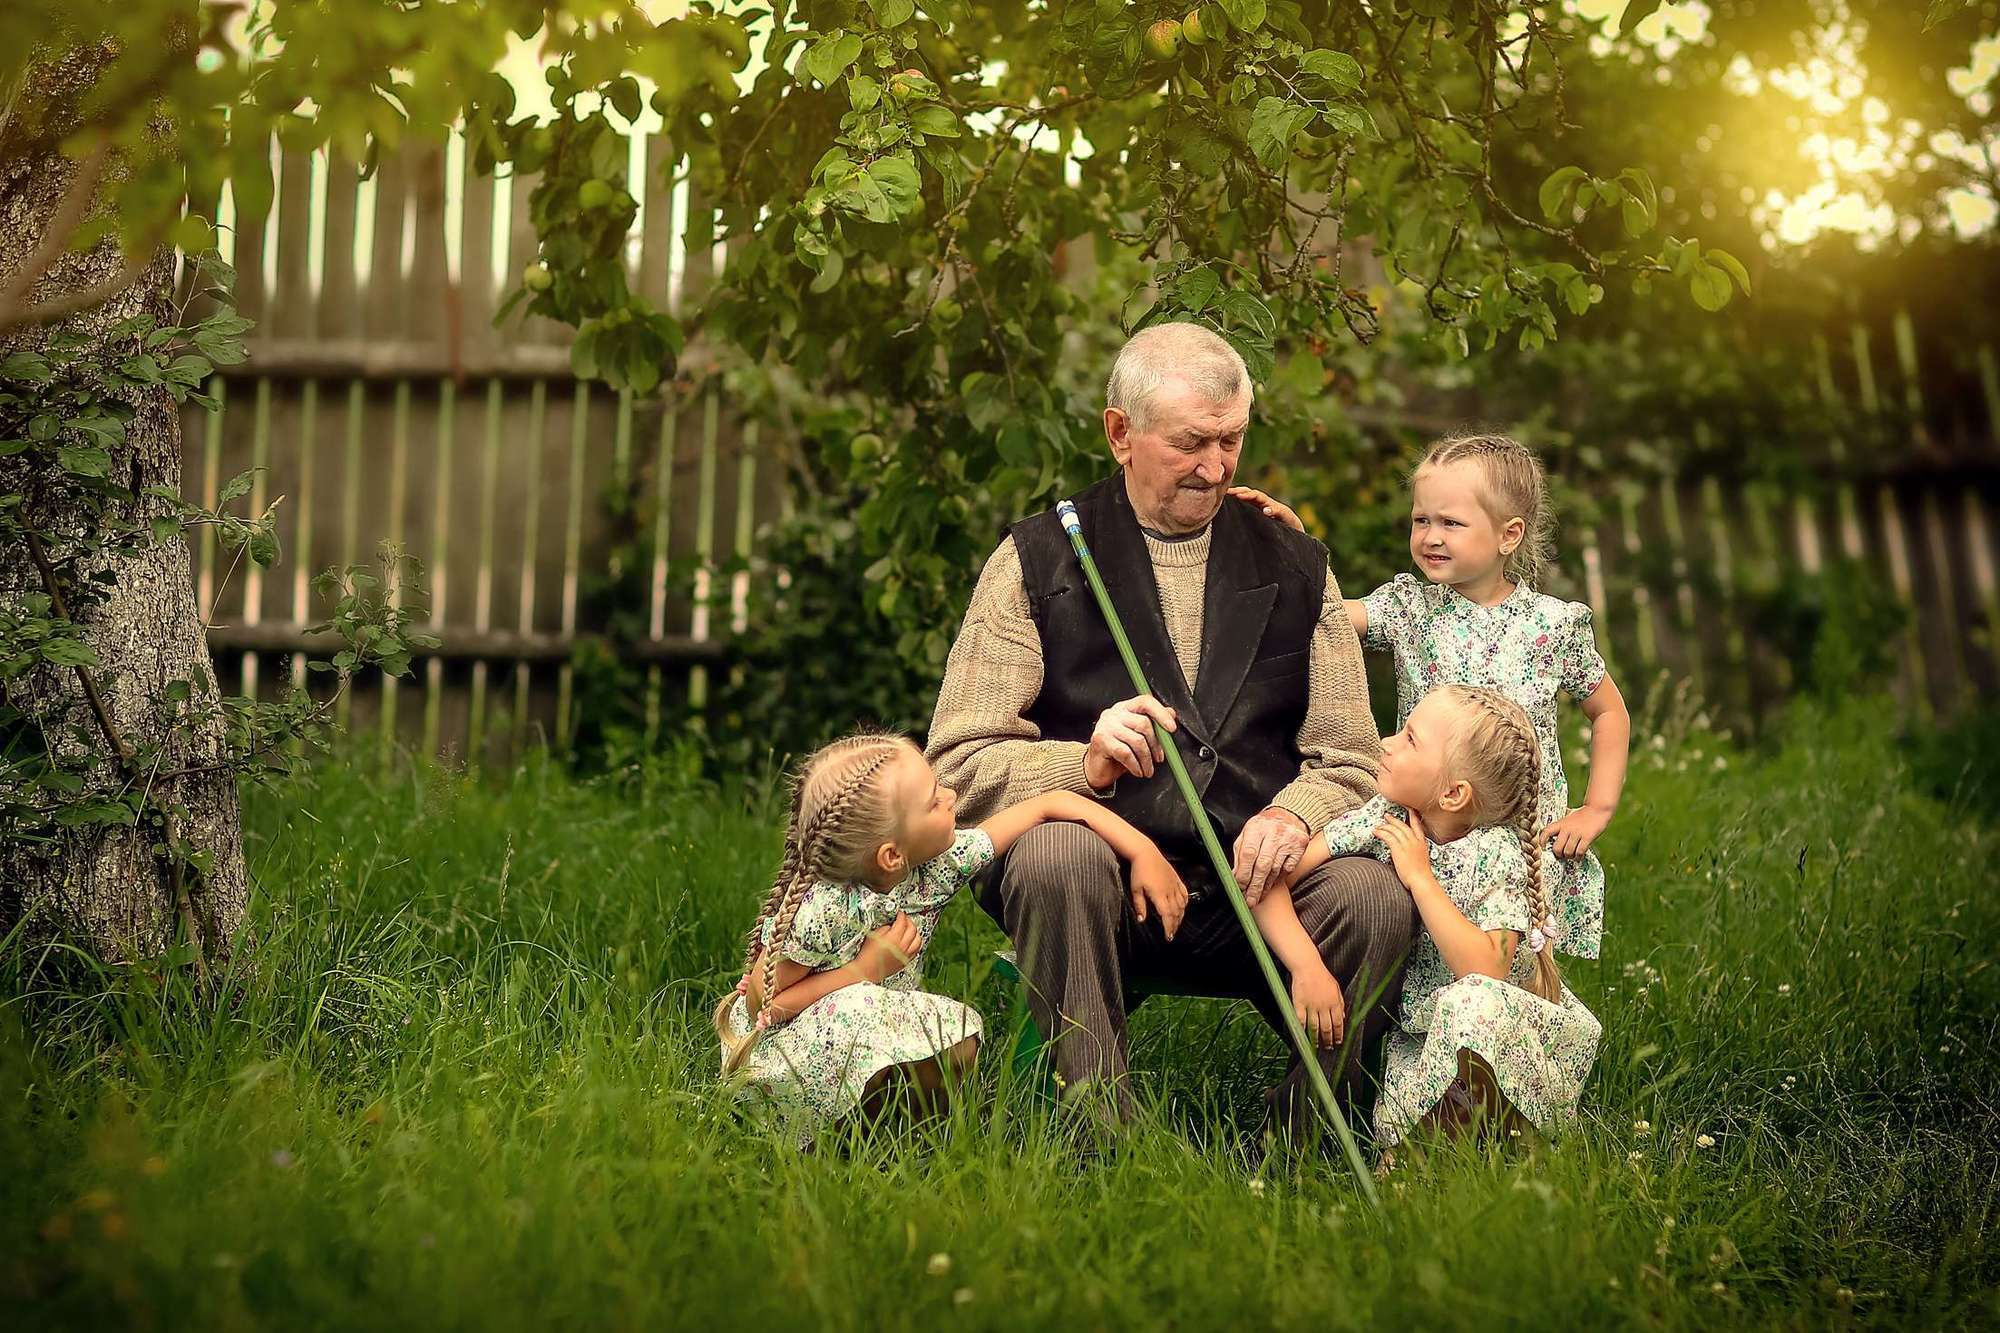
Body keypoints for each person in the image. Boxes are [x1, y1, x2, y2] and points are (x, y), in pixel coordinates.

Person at [926, 321, 1414, 1132]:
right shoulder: (1037, 560)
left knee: (1373, 895)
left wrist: (1295, 814)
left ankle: (1303, 1147)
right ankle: (1098, 1135)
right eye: (1192, 442)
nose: (1217, 467)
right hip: (1104, 889)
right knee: (1052, 855)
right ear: (1120, 433)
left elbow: (1353, 761)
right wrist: (1082, 764)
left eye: (1232, 440)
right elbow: (958, 763)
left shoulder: (1298, 565)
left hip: (1267, 897)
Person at [1234, 432, 1629, 957]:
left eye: (1451, 523)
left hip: (1518, 840)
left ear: (1509, 535)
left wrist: (1596, 809)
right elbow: (1325, 614)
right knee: (1416, 960)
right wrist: (1298, 550)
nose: (1431, 536)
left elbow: (1609, 713)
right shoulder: (1410, 609)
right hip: (1425, 824)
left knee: (1506, 974)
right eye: (1422, 520)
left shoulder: (1552, 626)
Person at [715, 731, 1185, 1146]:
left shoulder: (936, 865)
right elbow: (764, 1006)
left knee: (954, 1036)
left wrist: (1142, 850)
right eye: (933, 800)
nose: (951, 793)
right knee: (890, 1020)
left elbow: (1048, 804)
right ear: (891, 855)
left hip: (865, 1034)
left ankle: (892, 1141)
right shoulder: (825, 907)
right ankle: (825, 1142)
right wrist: (866, 971)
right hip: (787, 1055)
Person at [1262, 686, 1602, 1162]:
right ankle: (1434, 1158)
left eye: (1410, 740)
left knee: (1473, 1002)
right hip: (1422, 1040)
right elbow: (1265, 884)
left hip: (1505, 1041)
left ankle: (1494, 1146)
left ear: (1453, 793)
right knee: (1409, 1133)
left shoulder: (1497, 853)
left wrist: (1421, 879)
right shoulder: (1383, 819)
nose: (1386, 742)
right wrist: (1306, 968)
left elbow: (1486, 972)